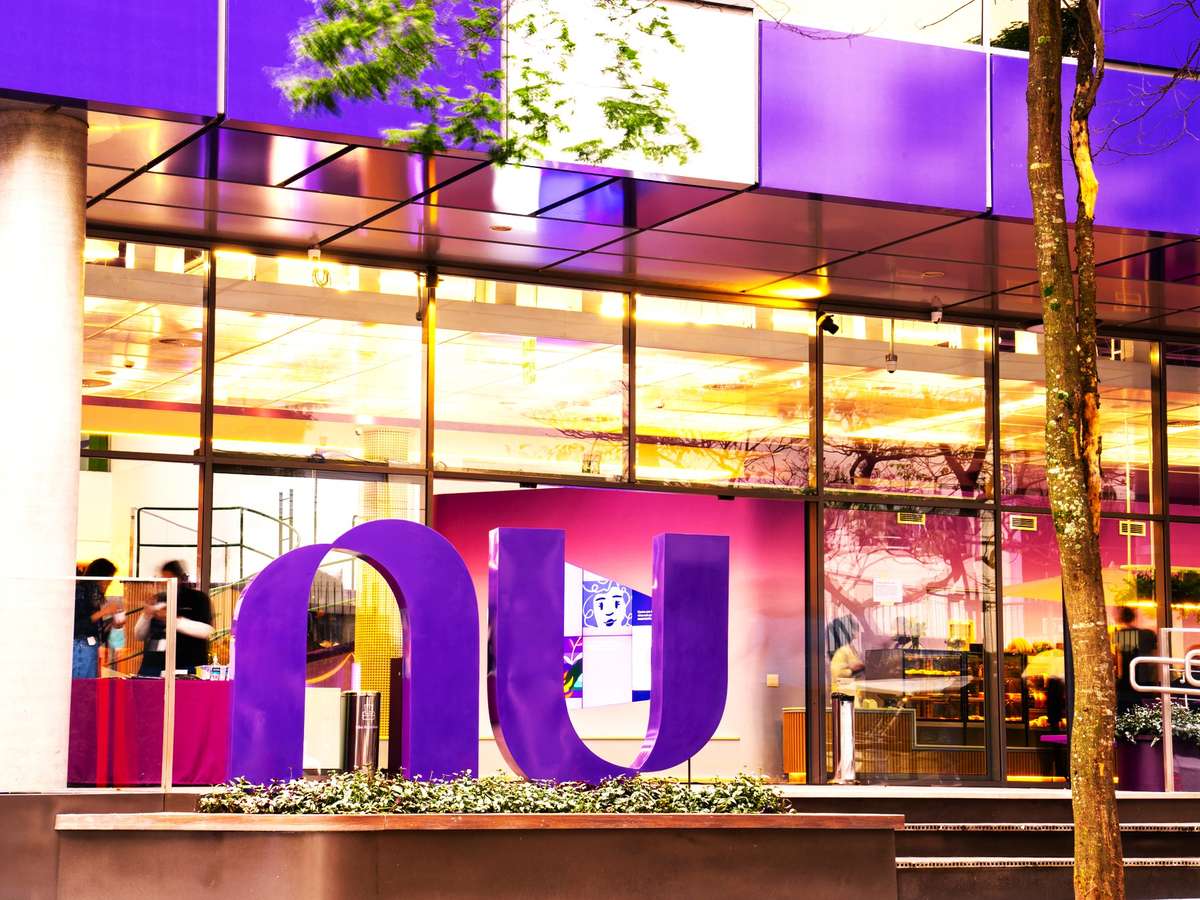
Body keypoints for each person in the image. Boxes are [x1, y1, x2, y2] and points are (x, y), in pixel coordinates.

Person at [135, 560, 213, 677]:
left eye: (169, 579)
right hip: (152, 666)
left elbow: (207, 631)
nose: (165, 583)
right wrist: (146, 615)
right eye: (162, 580)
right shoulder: (157, 599)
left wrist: (172, 619)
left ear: (180, 579)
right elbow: (139, 635)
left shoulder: (198, 599)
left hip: (186, 665)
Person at [72, 558, 125, 679]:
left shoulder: (94, 596)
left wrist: (113, 624)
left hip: (89, 647)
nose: (108, 584)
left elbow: (95, 628)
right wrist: (103, 612)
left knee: (89, 685)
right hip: (81, 647)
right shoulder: (81, 592)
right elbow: (77, 625)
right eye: (108, 580)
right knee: (83, 685)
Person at [1113, 605, 1157, 712]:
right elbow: (1154, 658)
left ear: (1120, 618)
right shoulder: (1148, 634)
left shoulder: (1123, 634)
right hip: (1146, 680)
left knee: (1127, 711)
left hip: (1129, 681)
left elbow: (1121, 663)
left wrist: (1119, 679)